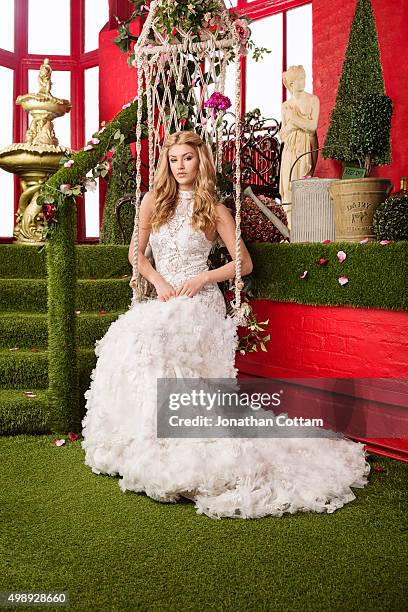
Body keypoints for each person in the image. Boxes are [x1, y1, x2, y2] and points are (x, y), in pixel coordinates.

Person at [81, 131, 370, 519]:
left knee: (158, 337)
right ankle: (141, 440)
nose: (180, 166)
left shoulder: (215, 209)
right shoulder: (153, 202)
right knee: (132, 338)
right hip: (165, 296)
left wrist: (202, 278)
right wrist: (160, 283)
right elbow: (137, 253)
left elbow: (243, 264)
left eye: (187, 158)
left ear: (200, 162)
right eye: (174, 159)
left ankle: (183, 436)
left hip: (199, 302)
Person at [279, 65, 320, 226]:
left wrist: (295, 120)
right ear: (291, 84)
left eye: (304, 77)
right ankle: (290, 228)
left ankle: (304, 227)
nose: (304, 81)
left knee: (302, 183)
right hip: (289, 148)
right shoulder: (286, 105)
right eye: (300, 79)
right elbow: (283, 134)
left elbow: (312, 127)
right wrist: (293, 126)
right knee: (287, 185)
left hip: (304, 146)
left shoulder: (312, 100)